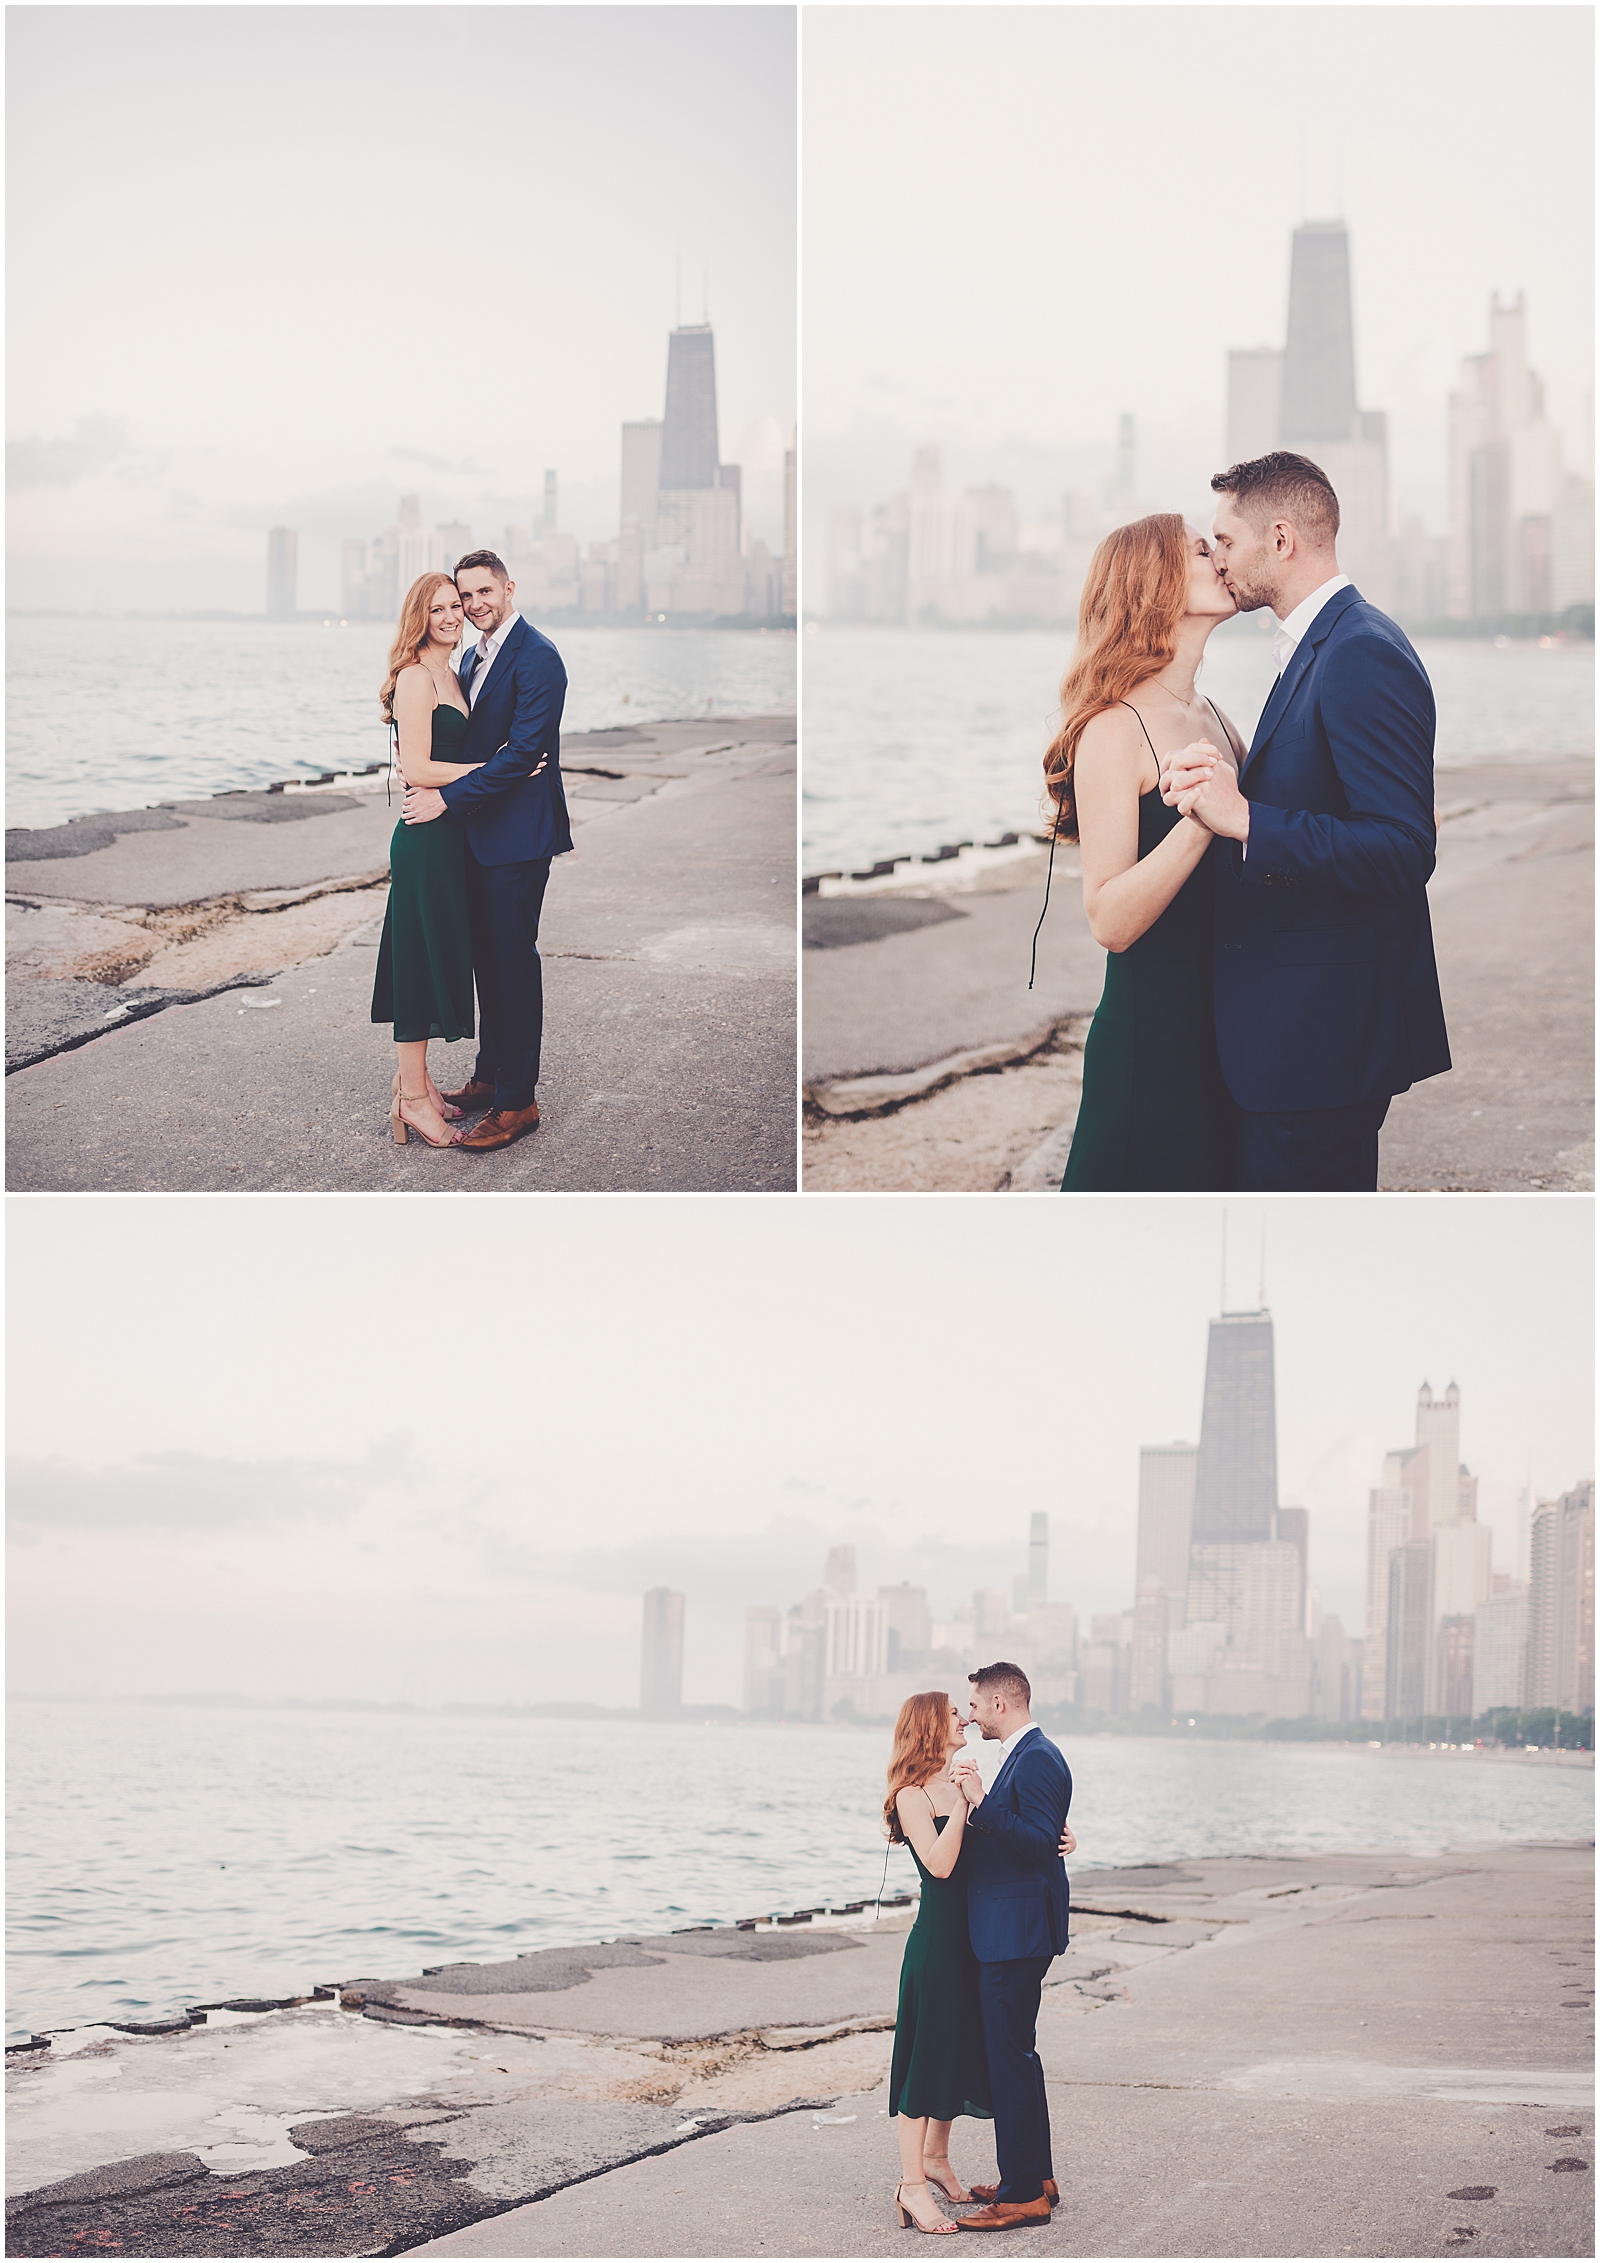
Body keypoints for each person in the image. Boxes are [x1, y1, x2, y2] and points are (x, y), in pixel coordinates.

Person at [1160, 451, 1450, 1191]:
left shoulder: (1359, 653)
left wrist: (1246, 818)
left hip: (1320, 1048)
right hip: (1299, 1041)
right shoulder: (1320, 647)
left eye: (1226, 541)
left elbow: (1401, 849)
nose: (1217, 559)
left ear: (1280, 539)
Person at [1044, 517, 1245, 1191]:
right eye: (1199, 548)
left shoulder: (1215, 715)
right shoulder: (1112, 729)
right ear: (1153, 585)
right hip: (1152, 1046)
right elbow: (1109, 919)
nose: (1220, 556)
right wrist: (1197, 822)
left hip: (1229, 1039)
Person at [884, 1691, 1076, 2237]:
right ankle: (911, 2185)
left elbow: (1002, 1845)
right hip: (938, 1945)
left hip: (976, 1942)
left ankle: (938, 2161)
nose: (964, 1717)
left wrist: (1057, 1840)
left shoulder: (963, 1781)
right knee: (923, 2062)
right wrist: (971, 1803)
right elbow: (943, 1865)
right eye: (953, 1712)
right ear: (929, 1726)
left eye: (967, 1708)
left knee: (956, 2053)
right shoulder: (912, 1794)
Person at [400, 550, 573, 1153]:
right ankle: (490, 1074)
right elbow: (463, 743)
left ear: (507, 589)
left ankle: (518, 1100)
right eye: (462, 597)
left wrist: (445, 800)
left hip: (519, 838)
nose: (473, 606)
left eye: (481, 593)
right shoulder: (472, 657)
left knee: (513, 964)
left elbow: (525, 753)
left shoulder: (539, 657)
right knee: (488, 963)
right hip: (480, 832)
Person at [948, 1663, 1072, 2233]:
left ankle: (1023, 2195)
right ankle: (1033, 2175)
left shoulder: (1039, 1756)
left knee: (1011, 2060)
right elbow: (1040, 1836)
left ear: (1000, 1703)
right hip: (1012, 1928)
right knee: (1018, 2056)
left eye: (975, 1705)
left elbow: (1038, 1844)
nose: (970, 1715)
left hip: (1016, 1933)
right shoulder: (1027, 1755)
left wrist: (978, 1798)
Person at [371, 574, 484, 1149]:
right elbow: (416, 768)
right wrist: (496, 773)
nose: (450, 616)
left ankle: (415, 1084)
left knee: (434, 954)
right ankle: (412, 1102)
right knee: (416, 964)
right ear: (420, 614)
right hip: (423, 839)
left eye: (455, 606)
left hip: (450, 837)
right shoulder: (417, 678)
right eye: (437, 608)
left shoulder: (455, 672)